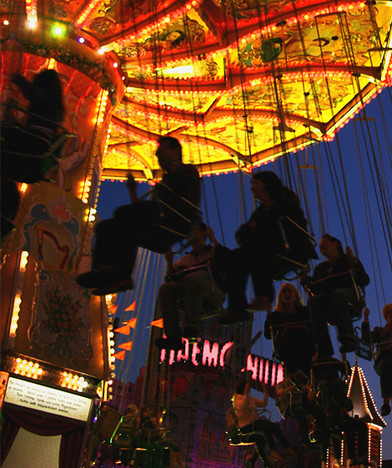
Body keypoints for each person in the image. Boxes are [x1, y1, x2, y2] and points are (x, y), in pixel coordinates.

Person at [77, 135, 201, 294]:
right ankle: (105, 270)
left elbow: (183, 187)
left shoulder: (186, 171)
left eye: (160, 152)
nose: (157, 157)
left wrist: (173, 166)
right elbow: (141, 209)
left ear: (175, 150)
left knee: (124, 215)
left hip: (178, 219)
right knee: (106, 227)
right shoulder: (167, 179)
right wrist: (132, 190)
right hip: (162, 220)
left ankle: (121, 273)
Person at [218, 171, 316, 322]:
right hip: (268, 249)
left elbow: (284, 221)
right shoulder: (261, 210)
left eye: (255, 184)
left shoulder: (285, 200)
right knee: (234, 258)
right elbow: (243, 233)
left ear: (266, 184)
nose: (251, 188)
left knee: (255, 252)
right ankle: (237, 306)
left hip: (292, 248)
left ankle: (263, 295)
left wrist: (258, 225)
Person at [1, 69, 66, 238]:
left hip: (33, 144)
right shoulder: (56, 108)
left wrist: (19, 80)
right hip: (36, 145)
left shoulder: (45, 99)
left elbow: (34, 94)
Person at [157, 221, 225, 350]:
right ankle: (173, 336)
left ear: (203, 232)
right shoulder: (184, 260)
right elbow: (171, 280)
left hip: (212, 293)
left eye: (194, 229)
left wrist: (214, 240)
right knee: (165, 289)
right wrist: (170, 262)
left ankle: (192, 327)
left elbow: (227, 260)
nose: (190, 233)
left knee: (193, 278)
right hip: (191, 296)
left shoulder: (214, 252)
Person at [305, 234, 369, 360]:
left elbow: (364, 280)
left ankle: (347, 337)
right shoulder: (320, 269)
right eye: (320, 244)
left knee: (337, 294)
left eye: (325, 242)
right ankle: (323, 347)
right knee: (314, 302)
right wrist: (304, 278)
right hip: (329, 301)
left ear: (335, 245)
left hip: (351, 297)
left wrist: (354, 262)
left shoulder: (347, 261)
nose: (321, 245)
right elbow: (313, 288)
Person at [231, 376, 294, 467]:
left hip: (254, 423)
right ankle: (273, 450)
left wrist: (265, 391)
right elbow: (243, 404)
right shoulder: (238, 399)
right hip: (246, 426)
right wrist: (246, 392)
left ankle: (286, 447)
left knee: (274, 426)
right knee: (265, 428)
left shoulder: (249, 398)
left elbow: (263, 403)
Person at [362, 303, 392, 415]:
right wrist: (366, 319)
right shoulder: (380, 331)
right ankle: (386, 402)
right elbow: (367, 339)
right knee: (386, 365)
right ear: (387, 316)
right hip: (385, 358)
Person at [265, 283, 316, 373]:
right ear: (281, 297)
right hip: (287, 348)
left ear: (295, 295)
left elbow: (313, 330)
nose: (287, 294)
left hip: (304, 345)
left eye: (289, 291)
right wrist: (268, 319)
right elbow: (268, 335)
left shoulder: (304, 312)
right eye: (284, 292)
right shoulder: (276, 316)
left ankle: (304, 377)